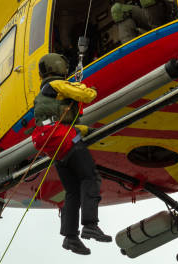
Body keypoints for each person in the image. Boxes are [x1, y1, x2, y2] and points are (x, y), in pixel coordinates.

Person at [33, 53, 112, 255]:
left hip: (51, 144)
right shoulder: (58, 85)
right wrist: (87, 88)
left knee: (73, 191)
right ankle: (90, 225)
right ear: (59, 67)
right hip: (62, 139)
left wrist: (84, 130)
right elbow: (88, 96)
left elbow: (62, 122)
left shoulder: (43, 93)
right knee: (90, 177)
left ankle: (70, 237)